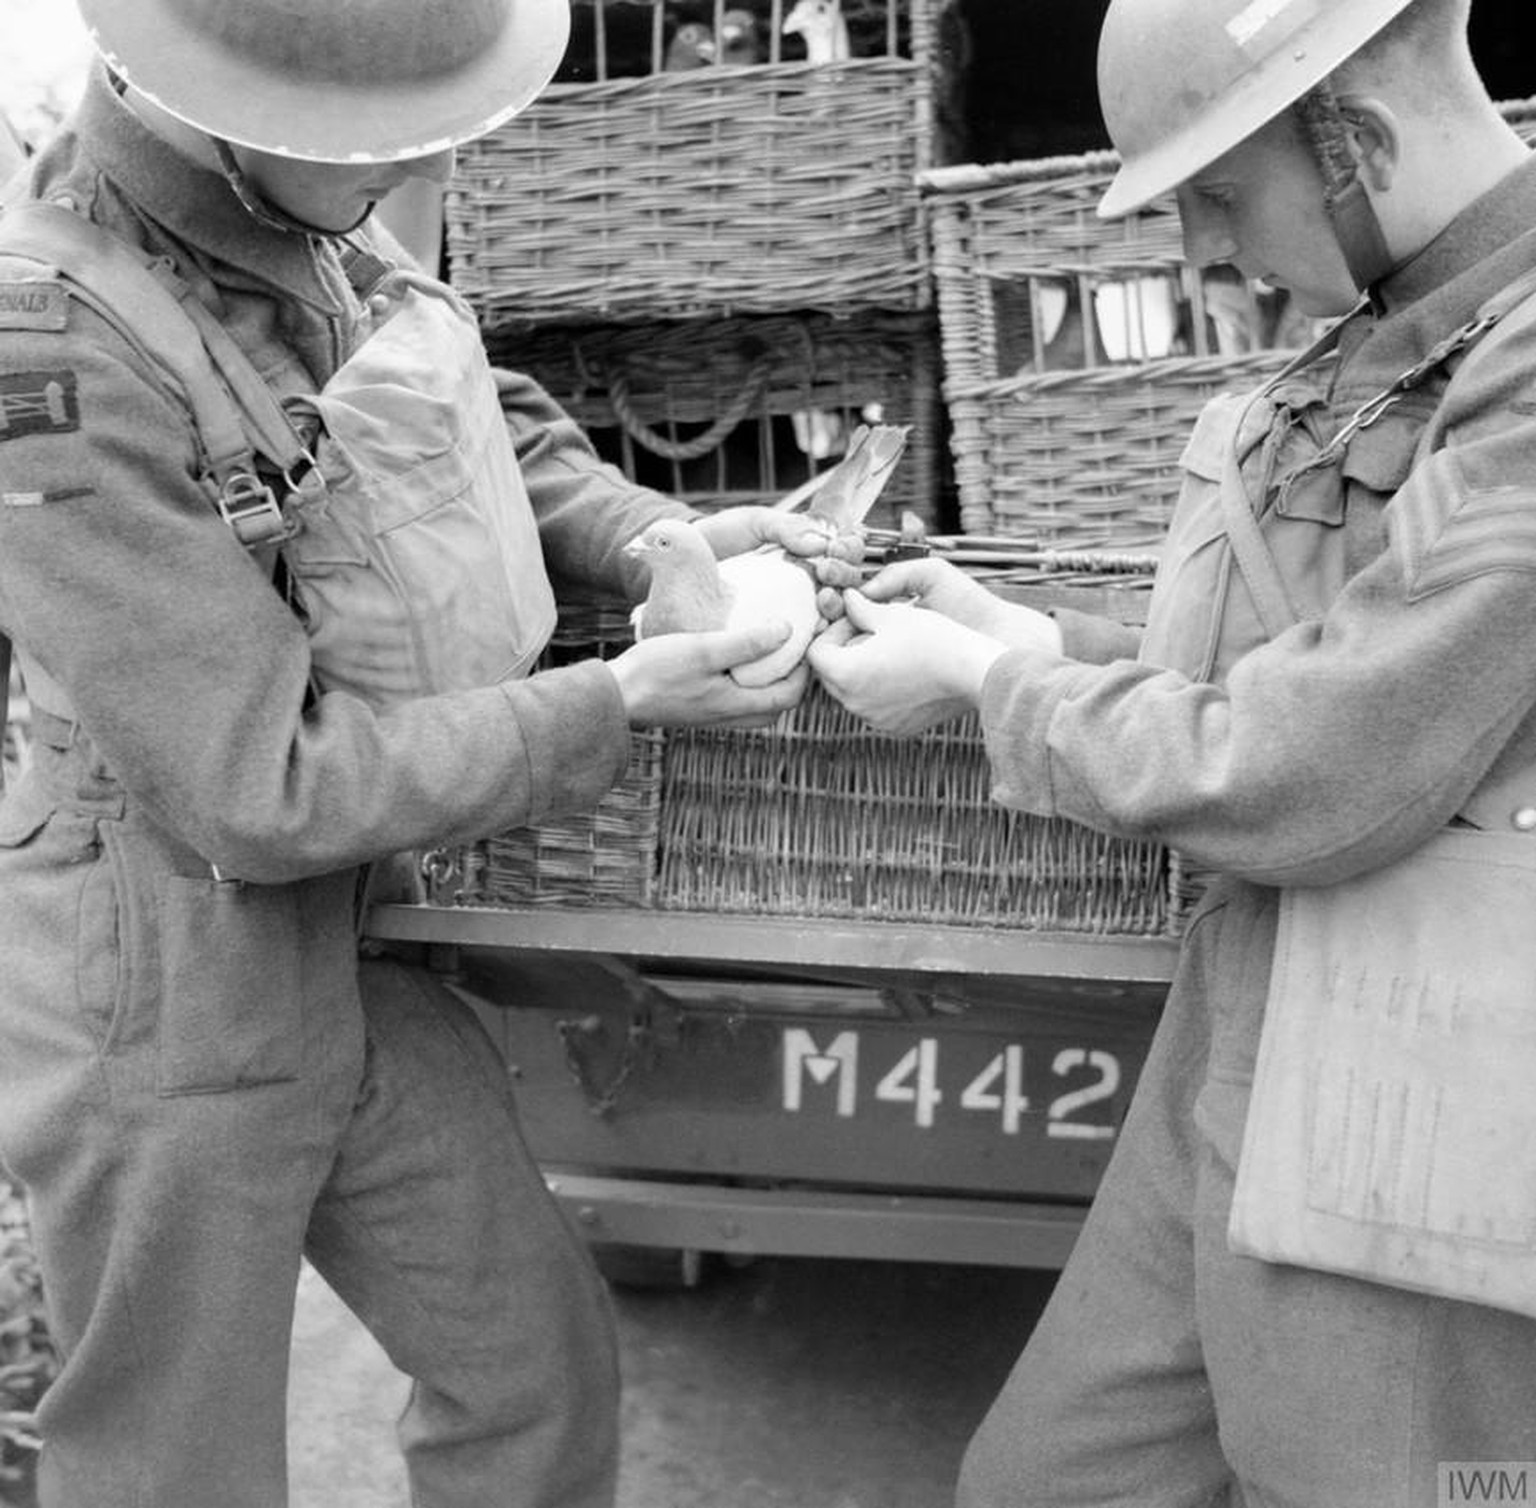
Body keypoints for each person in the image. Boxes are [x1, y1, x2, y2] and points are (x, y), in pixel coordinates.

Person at [0, 2, 857, 1505]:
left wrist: (663, 538)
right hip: (167, 974)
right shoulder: (50, 342)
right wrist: (620, 704)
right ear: (238, 105)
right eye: (391, 142)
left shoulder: (310, 214)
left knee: (532, 1373)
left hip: (360, 937)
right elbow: (257, 788)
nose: (436, 164)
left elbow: (476, 415)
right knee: (168, 1462)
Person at [809, 0, 1536, 1502]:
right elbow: (1306, 658)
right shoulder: (1411, 326)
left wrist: (998, 688)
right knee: (1049, 1480)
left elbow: (1315, 766)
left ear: (1350, 134)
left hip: (1439, 1058)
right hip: (1250, 1001)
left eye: (1219, 193)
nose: (1210, 252)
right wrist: (1020, 636)